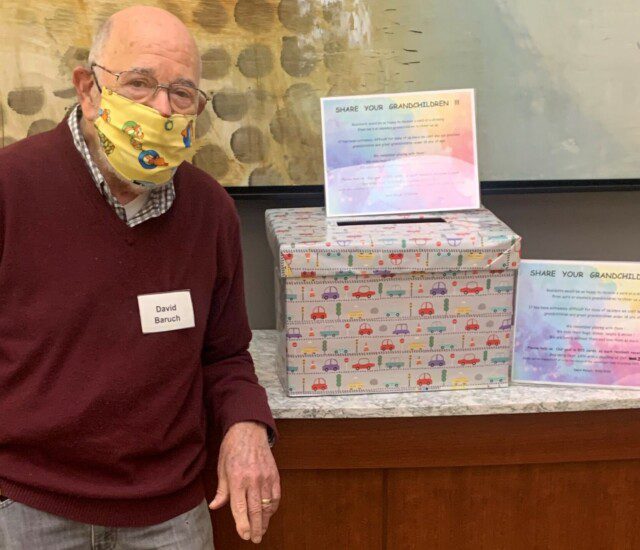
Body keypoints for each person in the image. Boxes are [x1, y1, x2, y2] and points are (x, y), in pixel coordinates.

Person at [0, 5, 280, 548]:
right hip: (25, 505)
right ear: (88, 88)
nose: (161, 107)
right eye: (139, 84)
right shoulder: (11, 189)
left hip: (167, 513)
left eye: (181, 93)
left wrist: (247, 427)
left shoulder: (210, 211)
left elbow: (225, 355)